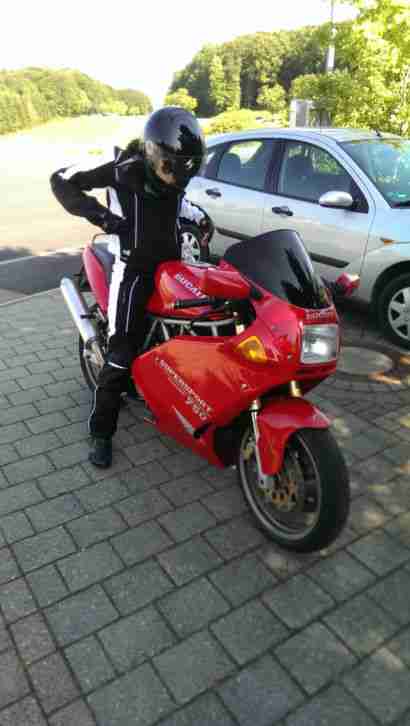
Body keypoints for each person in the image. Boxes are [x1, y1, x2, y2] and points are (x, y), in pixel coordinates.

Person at [50, 107, 213, 468]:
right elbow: (61, 179)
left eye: (186, 169)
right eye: (172, 168)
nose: (177, 178)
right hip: (134, 271)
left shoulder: (176, 179)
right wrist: (102, 217)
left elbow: (184, 206)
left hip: (173, 271)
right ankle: (101, 432)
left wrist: (203, 222)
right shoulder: (119, 167)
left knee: (198, 332)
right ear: (154, 153)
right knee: (121, 352)